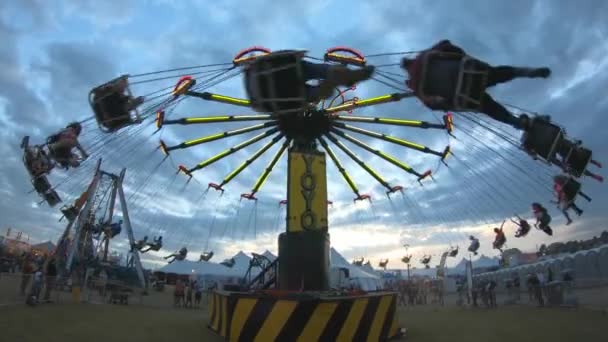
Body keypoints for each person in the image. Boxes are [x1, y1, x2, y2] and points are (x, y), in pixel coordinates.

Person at [401, 39, 550, 130]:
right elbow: (448, 46)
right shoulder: (425, 55)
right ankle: (526, 72)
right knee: (498, 73)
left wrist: (452, 104)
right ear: (411, 59)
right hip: (470, 72)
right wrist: (462, 58)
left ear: (406, 69)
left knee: (490, 109)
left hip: (464, 95)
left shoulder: (416, 86)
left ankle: (515, 121)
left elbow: (435, 104)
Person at [243, 50, 375, 113]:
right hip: (291, 70)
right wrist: (294, 54)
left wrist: (302, 107)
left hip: (287, 95)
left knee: (319, 93)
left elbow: (273, 110)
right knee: (324, 70)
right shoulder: (255, 67)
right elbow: (274, 56)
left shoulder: (253, 79)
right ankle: (342, 75)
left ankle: (331, 82)